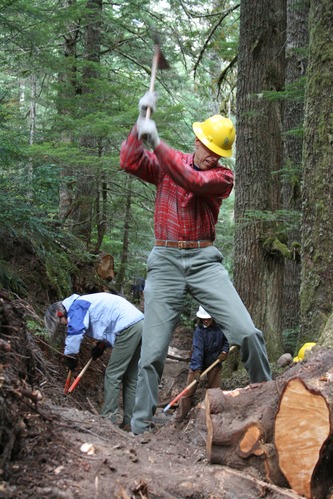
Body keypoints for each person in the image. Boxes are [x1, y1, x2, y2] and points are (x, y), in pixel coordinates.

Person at [120, 91, 272, 435]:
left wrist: (156, 141)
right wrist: (140, 122)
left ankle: (268, 399)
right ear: (197, 140)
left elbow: (192, 181)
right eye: (207, 148)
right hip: (165, 260)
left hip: (205, 262)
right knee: (153, 350)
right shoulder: (166, 165)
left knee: (247, 333)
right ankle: (142, 423)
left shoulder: (222, 178)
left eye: (219, 152)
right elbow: (129, 161)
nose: (211, 156)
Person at [44, 292, 143, 431]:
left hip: (127, 327)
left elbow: (76, 330)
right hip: (139, 323)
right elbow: (107, 323)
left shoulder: (76, 307)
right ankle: (130, 422)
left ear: (60, 313)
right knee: (130, 377)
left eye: (62, 323)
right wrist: (102, 345)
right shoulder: (83, 302)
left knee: (112, 375)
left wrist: (70, 355)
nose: (65, 326)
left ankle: (107, 420)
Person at [174, 306, 230, 421]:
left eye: (208, 319)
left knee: (213, 391)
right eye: (203, 319)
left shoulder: (220, 327)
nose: (206, 321)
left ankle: (211, 417)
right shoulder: (199, 331)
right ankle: (180, 417)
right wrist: (197, 369)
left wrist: (224, 351)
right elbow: (197, 352)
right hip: (198, 362)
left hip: (215, 361)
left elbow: (226, 340)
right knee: (188, 391)